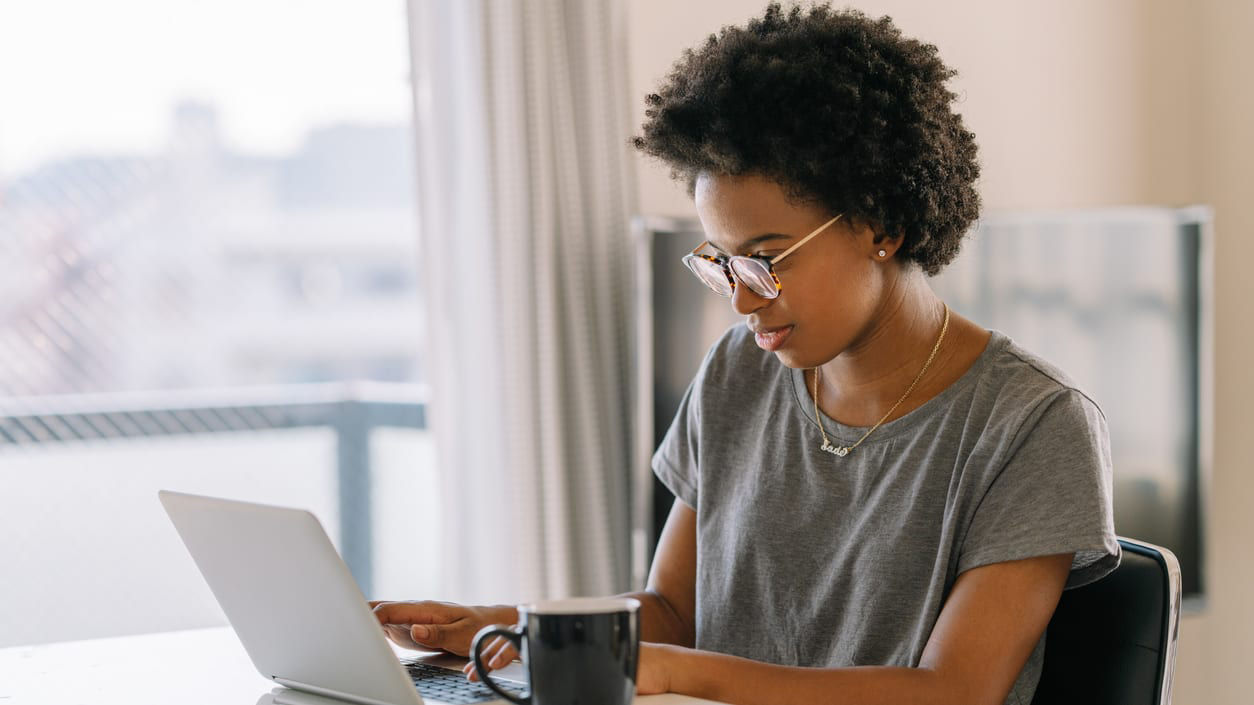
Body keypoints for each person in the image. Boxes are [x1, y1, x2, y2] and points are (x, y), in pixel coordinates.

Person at [372, 4, 1119, 704]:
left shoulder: (1032, 425)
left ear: (880, 223)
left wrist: (670, 670)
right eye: (721, 262)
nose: (741, 298)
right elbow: (670, 612)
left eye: (766, 258)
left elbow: (950, 691)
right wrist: (502, 626)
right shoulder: (738, 370)